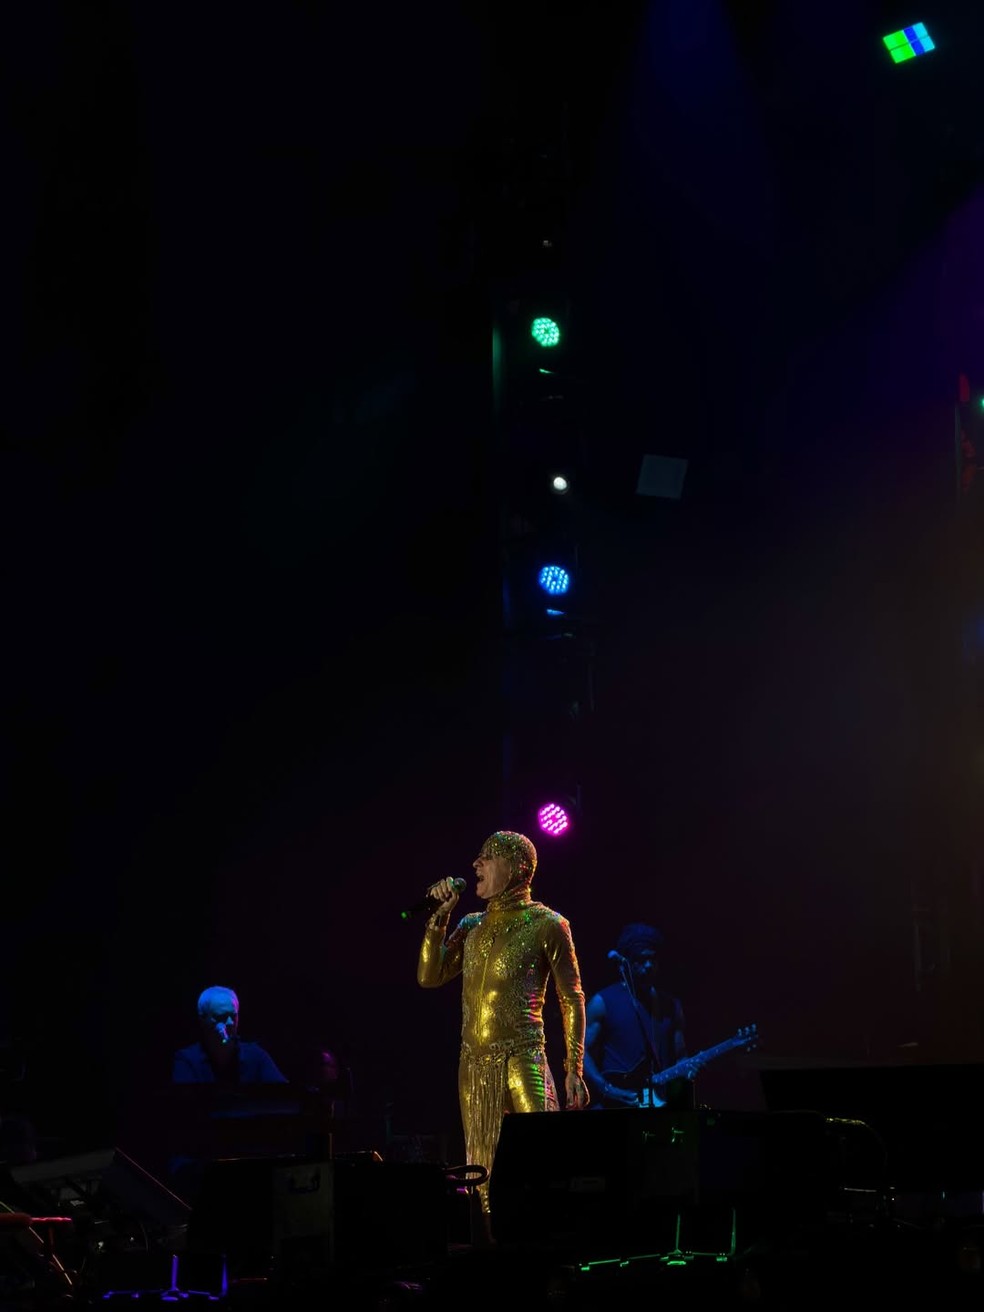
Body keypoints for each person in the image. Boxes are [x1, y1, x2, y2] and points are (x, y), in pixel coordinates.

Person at [417, 830, 589, 1210]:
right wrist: (438, 921)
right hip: (474, 1064)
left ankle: (548, 1248)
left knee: (542, 1159)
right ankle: (489, 1249)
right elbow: (429, 977)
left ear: (516, 867)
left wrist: (573, 1067)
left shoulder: (547, 923)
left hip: (522, 1056)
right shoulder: (470, 925)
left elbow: (571, 997)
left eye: (487, 857)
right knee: (482, 1172)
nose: (475, 864)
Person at [583, 923, 688, 1109]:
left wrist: (688, 1070)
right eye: (641, 960)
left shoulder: (671, 1006)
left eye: (653, 959)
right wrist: (606, 1088)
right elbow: (582, 1053)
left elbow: (680, 1058)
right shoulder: (603, 1002)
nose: (648, 965)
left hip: (658, 1104)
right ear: (627, 963)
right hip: (614, 1105)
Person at [172, 986, 287, 1084]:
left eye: (233, 1016)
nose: (230, 1023)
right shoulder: (187, 1060)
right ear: (202, 1019)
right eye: (221, 1016)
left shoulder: (256, 1056)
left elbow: (285, 1096)